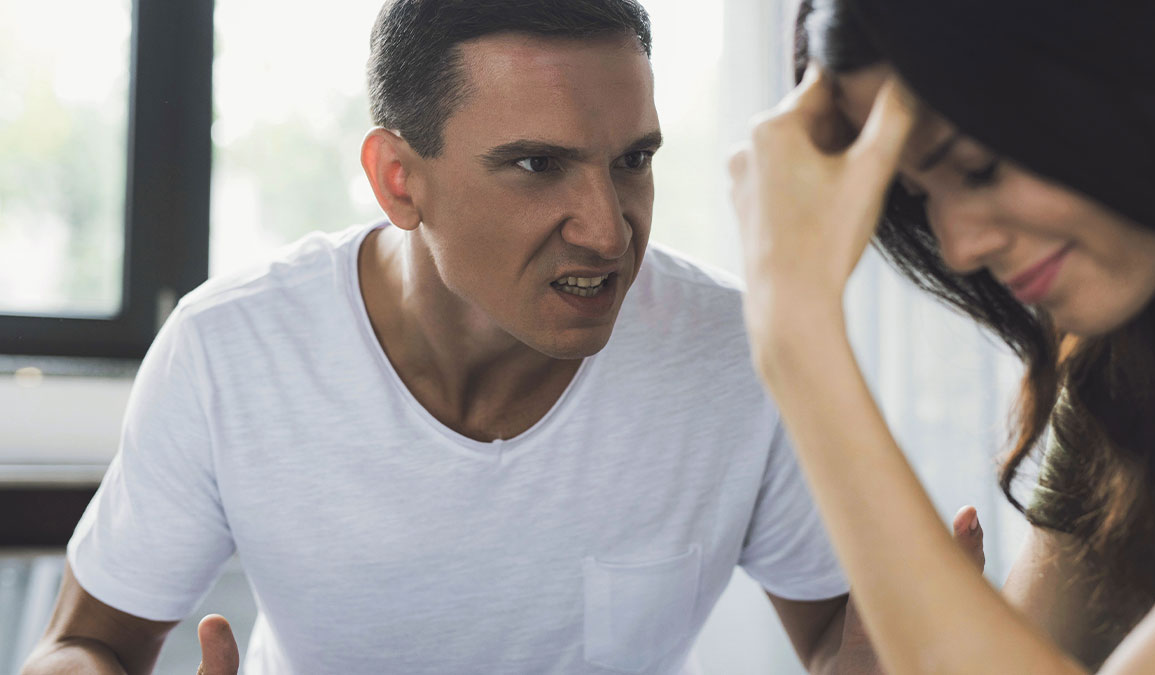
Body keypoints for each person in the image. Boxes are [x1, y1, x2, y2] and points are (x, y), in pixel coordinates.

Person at [20, 1, 897, 673]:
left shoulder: (740, 353)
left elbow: (839, 632)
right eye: (537, 164)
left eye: (632, 160)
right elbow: (89, 642)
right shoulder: (229, 351)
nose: (607, 231)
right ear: (399, 181)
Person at [729, 0, 1155, 672]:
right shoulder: (1130, 371)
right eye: (919, 193)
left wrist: (795, 331)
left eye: (977, 167)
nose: (957, 248)